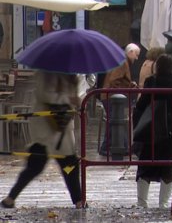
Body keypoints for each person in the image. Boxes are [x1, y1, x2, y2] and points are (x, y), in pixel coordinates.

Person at [2, 72, 83, 209]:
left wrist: (77, 99)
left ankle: (78, 201)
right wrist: (68, 98)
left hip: (63, 127)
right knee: (35, 165)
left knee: (70, 165)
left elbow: (79, 95)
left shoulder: (74, 75)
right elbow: (44, 94)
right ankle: (11, 197)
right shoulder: (46, 72)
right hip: (45, 126)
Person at [132, 54, 172, 208]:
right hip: (171, 130)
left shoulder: (151, 82)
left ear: (157, 68)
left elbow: (141, 105)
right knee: (168, 166)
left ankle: (142, 202)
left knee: (145, 164)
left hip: (151, 130)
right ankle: (163, 203)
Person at [99, 43, 140, 156]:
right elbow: (114, 80)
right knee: (114, 122)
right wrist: (124, 89)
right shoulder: (123, 62)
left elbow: (119, 79)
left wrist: (129, 85)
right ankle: (106, 147)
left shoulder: (121, 60)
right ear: (130, 52)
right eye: (136, 55)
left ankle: (122, 147)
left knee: (115, 122)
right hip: (112, 96)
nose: (137, 58)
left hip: (110, 95)